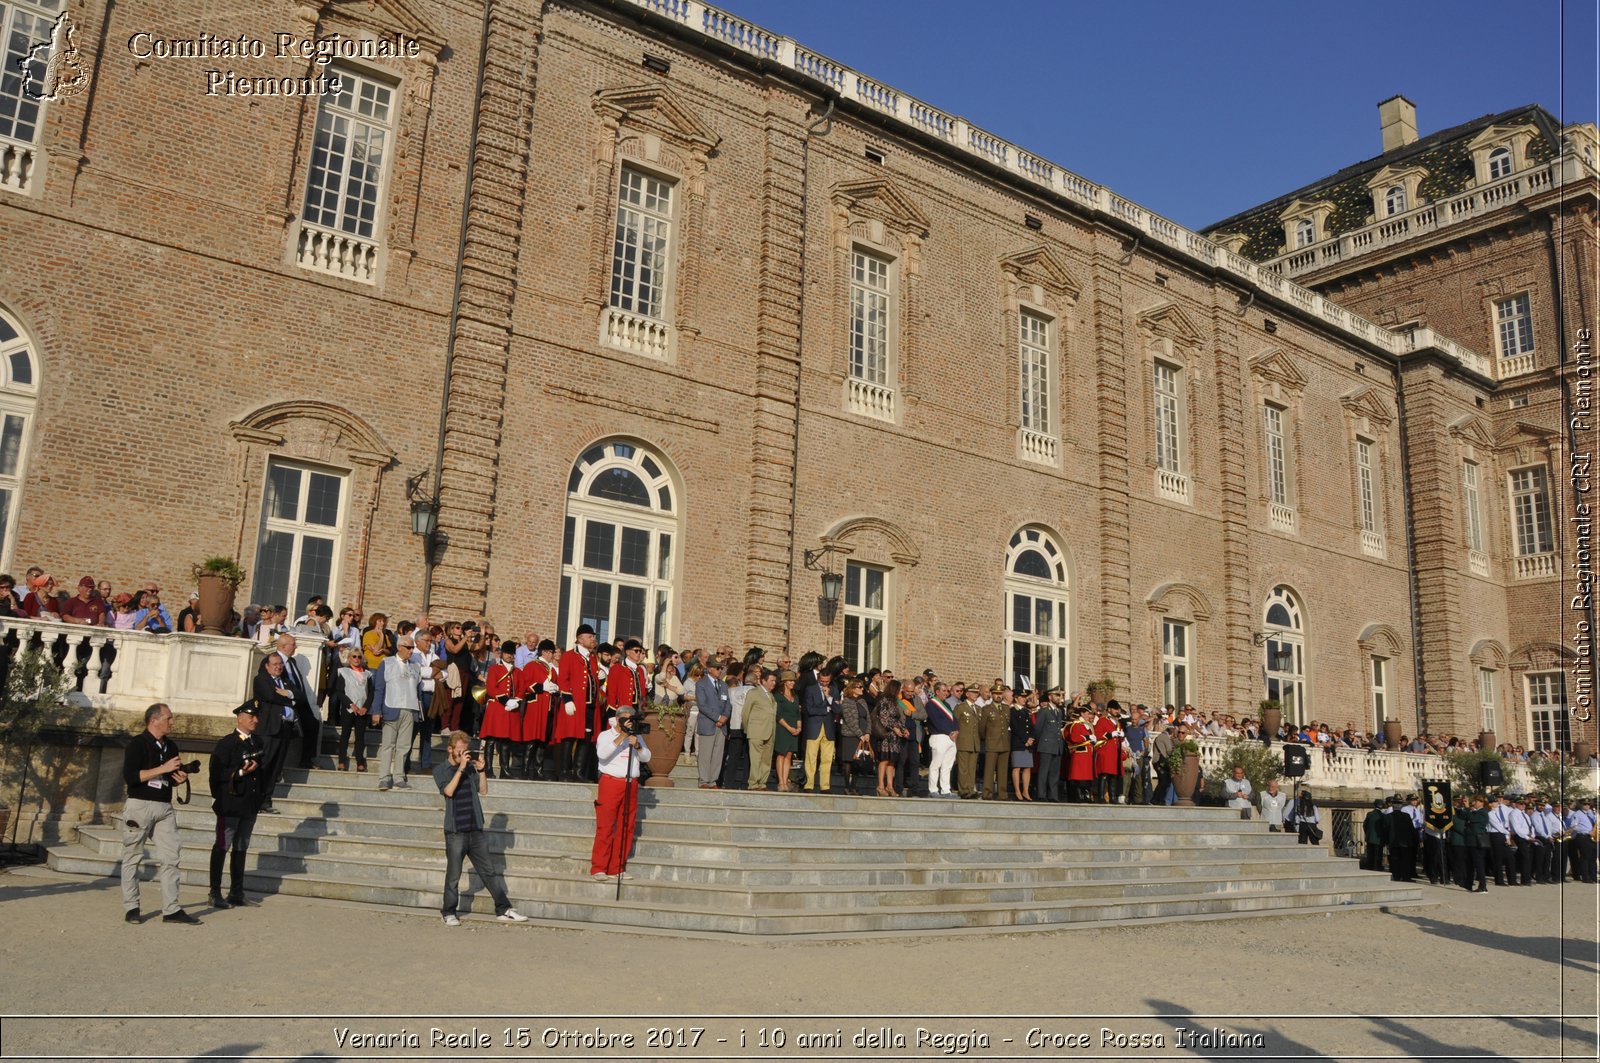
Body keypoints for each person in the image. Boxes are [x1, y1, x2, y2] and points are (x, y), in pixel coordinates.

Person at [434, 731, 528, 925]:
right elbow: (449, 791)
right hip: (455, 831)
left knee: (489, 872)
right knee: (453, 876)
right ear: (450, 750)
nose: (463, 755)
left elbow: (483, 791)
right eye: (460, 751)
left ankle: (503, 909)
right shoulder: (441, 770)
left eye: (465, 751)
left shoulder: (469, 768)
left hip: (475, 828)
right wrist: (460, 768)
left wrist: (482, 771)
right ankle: (449, 912)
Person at [119, 703, 197, 924]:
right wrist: (163, 768)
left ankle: (171, 909)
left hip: (164, 806)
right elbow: (132, 777)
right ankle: (132, 906)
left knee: (171, 857)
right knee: (132, 856)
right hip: (140, 805)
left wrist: (179, 779)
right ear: (154, 720)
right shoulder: (137, 744)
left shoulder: (170, 745)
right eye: (168, 718)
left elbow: (169, 777)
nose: (172, 722)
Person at [207, 701, 266, 910]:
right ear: (240, 717)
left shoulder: (257, 742)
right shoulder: (227, 743)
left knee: (242, 847)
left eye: (256, 716)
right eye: (251, 716)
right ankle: (215, 891)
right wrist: (240, 773)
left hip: (249, 804)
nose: (255, 720)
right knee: (223, 845)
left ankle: (237, 892)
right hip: (230, 803)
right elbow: (216, 775)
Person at [591, 706, 652, 880]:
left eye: (632, 718)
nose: (630, 722)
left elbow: (647, 757)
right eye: (627, 718)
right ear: (618, 719)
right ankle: (599, 868)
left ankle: (617, 868)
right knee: (606, 825)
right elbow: (602, 755)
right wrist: (622, 737)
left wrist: (638, 745)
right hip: (611, 782)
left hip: (631, 783)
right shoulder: (605, 735)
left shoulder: (637, 735)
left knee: (627, 826)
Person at [371, 634, 423, 791]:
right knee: (388, 745)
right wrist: (376, 710)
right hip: (391, 707)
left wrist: (419, 712)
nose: (411, 651)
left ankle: (399, 777)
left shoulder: (415, 666)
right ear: (399, 647)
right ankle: (384, 777)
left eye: (413, 647)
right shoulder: (387, 663)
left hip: (410, 708)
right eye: (409, 647)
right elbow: (379, 688)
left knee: (404, 746)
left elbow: (418, 691)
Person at [250, 652, 296, 813]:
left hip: (284, 729)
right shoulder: (261, 679)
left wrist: (290, 693)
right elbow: (270, 696)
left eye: (280, 664)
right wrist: (291, 698)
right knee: (264, 765)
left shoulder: (285, 681)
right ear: (267, 666)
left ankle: (266, 800)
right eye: (275, 664)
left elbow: (301, 696)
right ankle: (254, 800)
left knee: (276, 768)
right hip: (268, 729)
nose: (278, 667)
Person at [557, 624, 603, 782]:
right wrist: (567, 699)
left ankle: (578, 772)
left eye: (593, 637)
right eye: (590, 636)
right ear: (580, 639)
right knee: (569, 737)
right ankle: (563, 772)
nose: (593, 639)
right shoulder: (569, 655)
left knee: (586, 737)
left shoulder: (592, 657)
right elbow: (563, 678)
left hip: (590, 705)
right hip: (575, 703)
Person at [801, 661, 840, 793]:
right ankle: (809, 784)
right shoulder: (810, 689)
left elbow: (837, 709)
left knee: (827, 758)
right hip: (814, 727)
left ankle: (825, 786)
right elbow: (810, 709)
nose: (824, 683)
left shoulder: (834, 690)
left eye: (827, 681)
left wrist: (829, 696)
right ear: (819, 678)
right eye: (822, 681)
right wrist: (826, 710)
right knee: (811, 756)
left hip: (828, 728)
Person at [333, 648, 372, 772]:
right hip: (348, 709)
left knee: (360, 736)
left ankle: (360, 761)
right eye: (354, 656)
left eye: (359, 657)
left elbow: (371, 693)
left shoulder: (367, 674)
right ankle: (341, 761)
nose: (356, 659)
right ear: (349, 658)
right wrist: (350, 704)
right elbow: (339, 691)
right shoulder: (343, 672)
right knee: (345, 735)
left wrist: (365, 707)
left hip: (362, 710)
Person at [694, 657, 731, 789]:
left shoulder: (723, 685)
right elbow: (702, 705)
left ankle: (713, 781)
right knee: (705, 754)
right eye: (717, 668)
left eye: (721, 668)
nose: (720, 670)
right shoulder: (701, 684)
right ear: (709, 668)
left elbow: (728, 704)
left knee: (717, 754)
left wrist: (724, 717)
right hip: (708, 724)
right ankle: (704, 780)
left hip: (721, 726)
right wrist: (717, 717)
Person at [743, 667, 778, 792]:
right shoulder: (754, 693)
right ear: (763, 681)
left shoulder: (771, 696)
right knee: (756, 758)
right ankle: (753, 783)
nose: (774, 683)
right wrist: (747, 729)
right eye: (772, 680)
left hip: (770, 731)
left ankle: (762, 783)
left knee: (766, 759)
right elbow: (745, 712)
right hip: (756, 731)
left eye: (775, 681)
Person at [773, 670, 803, 792]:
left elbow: (798, 714)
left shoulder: (795, 697)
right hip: (783, 728)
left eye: (793, 681)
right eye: (790, 681)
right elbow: (778, 714)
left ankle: (786, 780)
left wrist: (799, 727)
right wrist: (789, 728)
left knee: (789, 755)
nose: (792, 683)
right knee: (781, 754)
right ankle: (781, 782)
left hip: (794, 728)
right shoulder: (778, 696)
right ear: (784, 682)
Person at [953, 685, 982, 799]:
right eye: (973, 692)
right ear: (967, 694)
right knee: (963, 768)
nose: (976, 694)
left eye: (977, 693)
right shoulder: (960, 707)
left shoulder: (978, 708)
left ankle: (971, 789)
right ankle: (963, 790)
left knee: (972, 768)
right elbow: (954, 723)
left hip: (975, 743)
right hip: (963, 741)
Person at [1008, 692, 1034, 801]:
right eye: (1022, 697)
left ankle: (1025, 790)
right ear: (1016, 698)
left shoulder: (1025, 711)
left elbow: (1030, 726)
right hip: (1018, 743)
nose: (1024, 699)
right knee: (1017, 767)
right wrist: (1025, 739)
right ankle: (1017, 790)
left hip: (1028, 743)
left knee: (1027, 767)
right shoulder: (1013, 711)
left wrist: (1031, 738)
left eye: (1025, 697)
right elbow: (1015, 727)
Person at [1361, 798, 1388, 869]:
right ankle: (1377, 867)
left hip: (1370, 837)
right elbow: (1385, 828)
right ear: (1382, 806)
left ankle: (1369, 866)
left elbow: (1364, 825)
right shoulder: (1383, 816)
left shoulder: (1369, 814)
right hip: (1379, 839)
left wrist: (1368, 833)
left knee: (1370, 853)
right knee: (1378, 854)